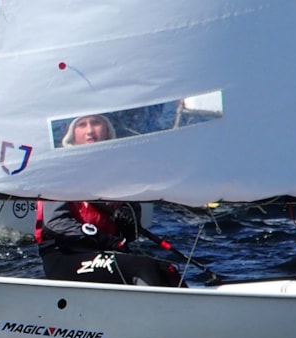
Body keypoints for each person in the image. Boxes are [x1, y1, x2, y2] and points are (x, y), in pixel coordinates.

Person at [35, 115, 186, 288]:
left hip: (106, 253)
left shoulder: (119, 172)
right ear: (72, 133)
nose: (90, 131)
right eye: (82, 125)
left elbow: (131, 234)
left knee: (167, 270)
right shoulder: (59, 171)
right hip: (66, 256)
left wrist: (128, 216)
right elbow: (55, 223)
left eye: (96, 123)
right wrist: (102, 239)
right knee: (143, 268)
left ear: (107, 129)